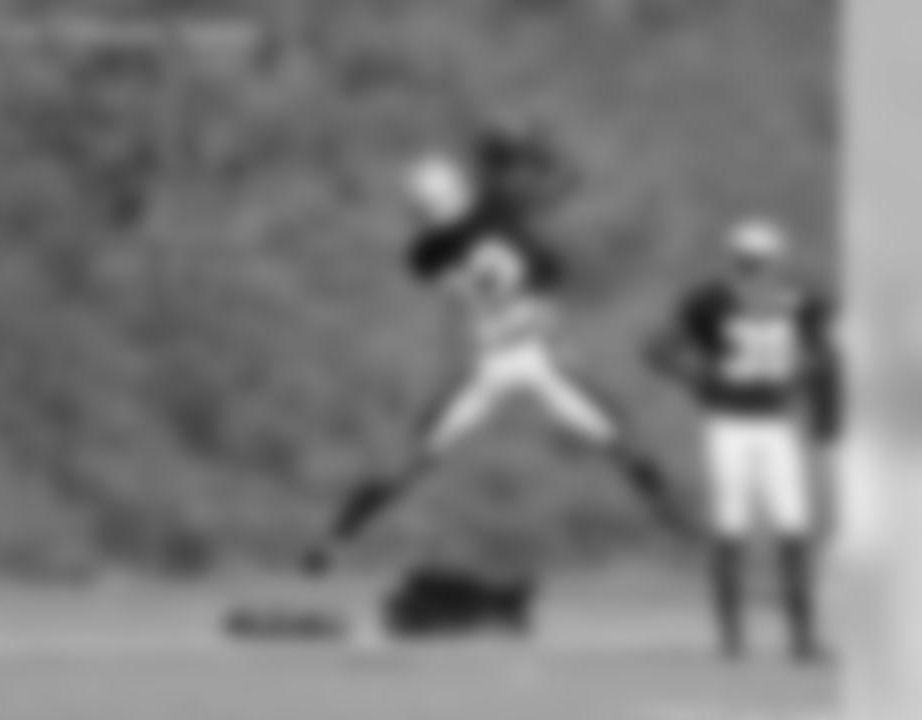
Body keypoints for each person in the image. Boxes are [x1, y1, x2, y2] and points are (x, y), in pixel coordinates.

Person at [305, 130, 691, 573]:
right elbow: (559, 187)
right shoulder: (495, 210)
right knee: (619, 434)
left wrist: (508, 179)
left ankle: (336, 538)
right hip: (534, 352)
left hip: (488, 360)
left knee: (414, 456)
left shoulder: (428, 250)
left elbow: (438, 252)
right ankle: (676, 517)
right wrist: (524, 160)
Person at [648, 217, 842, 663]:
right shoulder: (710, 302)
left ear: (775, 260)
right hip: (728, 424)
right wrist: (698, 378)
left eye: (761, 259)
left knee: (792, 523)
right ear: (736, 259)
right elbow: (657, 348)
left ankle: (801, 637)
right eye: (749, 260)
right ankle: (732, 639)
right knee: (730, 524)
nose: (756, 268)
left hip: (775, 424)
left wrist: (809, 392)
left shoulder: (801, 302)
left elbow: (823, 356)